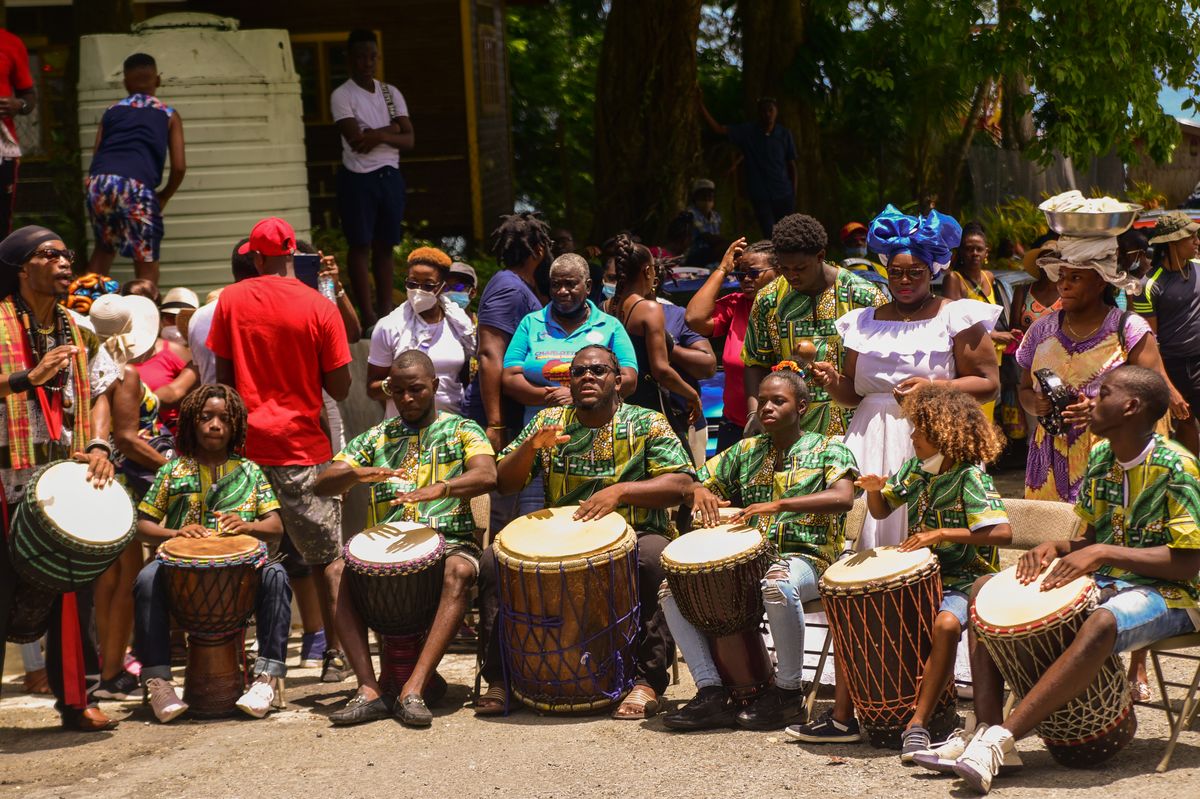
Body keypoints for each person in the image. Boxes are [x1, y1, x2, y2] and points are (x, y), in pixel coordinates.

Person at [933, 366, 1200, 794]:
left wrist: (1101, 553)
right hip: (1107, 581)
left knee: (1103, 621)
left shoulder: (1177, 467)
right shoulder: (1100, 457)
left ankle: (1002, 741)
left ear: (1130, 407)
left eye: (1103, 393)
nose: (1090, 401)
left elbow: (1187, 563)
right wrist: (1058, 547)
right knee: (985, 593)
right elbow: (1091, 539)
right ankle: (983, 728)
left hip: (1172, 595)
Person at [475, 344, 696, 719]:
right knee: (493, 561)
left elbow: (682, 484)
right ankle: (501, 676)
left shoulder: (648, 423)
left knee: (654, 559)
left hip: (637, 531)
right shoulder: (549, 423)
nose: (587, 377)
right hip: (562, 539)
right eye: (578, 372)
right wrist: (530, 447)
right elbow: (505, 482)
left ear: (618, 379)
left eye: (598, 370)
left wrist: (621, 491)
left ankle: (647, 680)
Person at [663, 364, 857, 731]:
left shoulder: (830, 446)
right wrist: (699, 490)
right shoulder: (745, 450)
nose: (766, 407)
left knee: (777, 583)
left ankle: (787, 694)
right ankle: (711, 692)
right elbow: (692, 482)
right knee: (672, 589)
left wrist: (779, 505)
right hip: (748, 559)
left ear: (801, 406)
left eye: (778, 401)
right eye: (763, 400)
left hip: (809, 558)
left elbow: (844, 497)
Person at [207, 216, 353, 684]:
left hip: (247, 449)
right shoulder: (318, 305)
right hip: (303, 448)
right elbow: (341, 385)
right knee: (325, 558)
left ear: (254, 256)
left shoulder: (229, 300)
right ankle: (336, 654)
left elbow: (223, 378)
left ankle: (238, 663)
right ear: (293, 255)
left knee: (241, 556)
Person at [316, 350, 496, 727]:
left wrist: (442, 488)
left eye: (416, 389)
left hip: (449, 541)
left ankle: (413, 688)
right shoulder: (376, 437)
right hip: (385, 552)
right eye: (397, 392)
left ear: (434, 385)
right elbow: (322, 482)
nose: (407, 399)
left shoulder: (463, 429)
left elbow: (487, 475)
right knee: (335, 571)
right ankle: (369, 689)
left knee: (461, 571)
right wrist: (356, 474)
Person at [812, 205, 999, 550]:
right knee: (862, 535)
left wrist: (935, 388)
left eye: (915, 272)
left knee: (924, 533)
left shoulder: (956, 316)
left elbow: (989, 385)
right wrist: (831, 381)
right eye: (896, 272)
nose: (904, 280)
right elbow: (854, 394)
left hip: (933, 438)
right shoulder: (863, 321)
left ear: (932, 271)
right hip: (869, 437)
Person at [848, 384, 1011, 760]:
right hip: (926, 579)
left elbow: (1002, 532)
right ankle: (854, 714)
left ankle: (917, 723)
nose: (912, 436)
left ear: (944, 433)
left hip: (967, 580)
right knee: (865, 611)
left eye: (920, 429)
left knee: (946, 625)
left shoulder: (971, 478)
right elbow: (881, 510)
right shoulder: (917, 470)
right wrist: (875, 490)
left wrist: (940, 532)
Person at [0, 225, 120, 731]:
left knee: (74, 589)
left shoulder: (79, 327)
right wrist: (27, 378)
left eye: (66, 253)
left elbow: (103, 391)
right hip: (7, 472)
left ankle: (78, 697)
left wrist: (98, 443)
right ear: (21, 268)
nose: (64, 261)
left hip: (63, 472)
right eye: (48, 254)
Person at [133, 384, 289, 722]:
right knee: (146, 579)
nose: (214, 425)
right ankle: (159, 682)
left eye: (224, 419)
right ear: (191, 423)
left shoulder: (249, 471)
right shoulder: (172, 471)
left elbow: (275, 526)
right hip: (180, 580)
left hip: (241, 580)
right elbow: (143, 525)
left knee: (277, 574)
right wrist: (174, 533)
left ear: (235, 427)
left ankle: (266, 677)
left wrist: (247, 527)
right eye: (205, 418)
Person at [1016, 233, 1183, 503]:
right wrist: (1037, 405)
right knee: (1053, 542)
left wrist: (1099, 408)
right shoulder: (1040, 331)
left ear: (1100, 280)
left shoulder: (1129, 330)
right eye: (1062, 276)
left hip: (1109, 458)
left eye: (1076, 278)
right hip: (1048, 462)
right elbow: (1024, 388)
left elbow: (1156, 399)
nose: (1064, 286)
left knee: (1101, 539)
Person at [502, 253, 638, 513]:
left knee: (594, 515)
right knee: (535, 519)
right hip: (539, 444)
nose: (562, 291)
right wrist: (547, 396)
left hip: (600, 441)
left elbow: (629, 378)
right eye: (555, 284)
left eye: (570, 284)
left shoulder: (610, 326)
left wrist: (577, 397)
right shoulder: (531, 323)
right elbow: (509, 377)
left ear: (587, 286)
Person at [87, 292, 172, 702]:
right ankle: (112, 670)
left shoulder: (95, 366)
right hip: (122, 483)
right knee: (123, 579)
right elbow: (125, 437)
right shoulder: (126, 375)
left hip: (102, 481)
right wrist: (172, 467)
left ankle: (109, 665)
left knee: (109, 579)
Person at [743, 213, 887, 438]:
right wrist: (754, 414)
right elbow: (755, 361)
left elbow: (884, 366)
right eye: (785, 269)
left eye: (800, 268)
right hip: (791, 434)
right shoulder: (768, 299)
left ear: (820, 256)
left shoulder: (864, 297)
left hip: (858, 428)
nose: (792, 276)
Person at [332, 29, 415, 329]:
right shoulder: (342, 95)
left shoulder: (390, 94)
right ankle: (366, 315)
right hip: (357, 177)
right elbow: (356, 139)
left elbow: (409, 139)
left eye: (372, 56)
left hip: (389, 174)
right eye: (360, 57)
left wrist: (379, 134)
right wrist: (392, 130)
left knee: (385, 245)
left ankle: (385, 312)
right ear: (349, 59)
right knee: (360, 245)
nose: (367, 62)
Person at [85, 53, 186, 287]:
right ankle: (145, 314)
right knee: (145, 259)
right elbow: (179, 166)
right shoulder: (168, 114)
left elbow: (97, 153)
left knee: (104, 249)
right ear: (158, 80)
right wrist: (164, 195)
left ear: (125, 83)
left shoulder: (111, 111)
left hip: (99, 182)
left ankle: (82, 311)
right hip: (136, 186)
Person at [609, 234, 703, 444]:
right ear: (648, 271)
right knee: (682, 471)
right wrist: (692, 395)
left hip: (618, 407)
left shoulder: (607, 307)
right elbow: (661, 370)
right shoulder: (649, 309)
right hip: (649, 407)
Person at [686, 238, 777, 453]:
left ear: (779, 271)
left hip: (782, 428)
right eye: (740, 274)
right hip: (734, 426)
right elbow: (694, 318)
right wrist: (723, 269)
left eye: (754, 273)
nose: (745, 279)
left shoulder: (792, 309)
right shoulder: (736, 305)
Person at [367, 247, 475, 416]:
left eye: (428, 285)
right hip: (404, 430)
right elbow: (372, 388)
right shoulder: (389, 326)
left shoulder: (460, 325)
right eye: (412, 284)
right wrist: (398, 386)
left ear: (442, 287)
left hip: (451, 427)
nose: (418, 290)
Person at [1133, 212, 1200, 455]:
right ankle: (1188, 481)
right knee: (1186, 420)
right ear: (1172, 242)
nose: (1197, 241)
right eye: (1190, 237)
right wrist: (1168, 387)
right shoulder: (1148, 285)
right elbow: (1148, 342)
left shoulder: (1199, 268)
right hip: (1172, 365)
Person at [942, 222, 1014, 420]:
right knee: (973, 420)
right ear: (961, 252)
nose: (974, 253)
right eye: (968, 249)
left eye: (979, 249)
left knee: (989, 419)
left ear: (986, 252)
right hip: (969, 365)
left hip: (994, 360)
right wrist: (995, 335)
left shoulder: (988, 277)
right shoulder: (954, 280)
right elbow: (953, 324)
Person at [698, 94, 797, 238]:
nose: (767, 114)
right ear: (759, 113)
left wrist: (793, 192)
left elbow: (792, 165)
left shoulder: (784, 134)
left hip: (783, 193)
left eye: (771, 110)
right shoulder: (748, 132)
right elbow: (718, 129)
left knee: (788, 234)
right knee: (770, 234)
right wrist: (700, 106)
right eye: (764, 111)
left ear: (776, 112)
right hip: (761, 194)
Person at [658, 283, 717, 466]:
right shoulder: (610, 317)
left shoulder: (676, 315)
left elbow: (708, 365)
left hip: (684, 421)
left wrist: (667, 347)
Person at [0, 28, 36, 234]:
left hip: (3, 145)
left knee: (2, 219)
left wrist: (19, 105)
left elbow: (28, 94)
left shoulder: (10, 42)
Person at [686, 178, 723, 266]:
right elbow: (706, 236)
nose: (707, 198)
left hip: (712, 254)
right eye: (703, 195)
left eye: (709, 195)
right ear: (695, 197)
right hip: (694, 255)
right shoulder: (690, 214)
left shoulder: (716, 216)